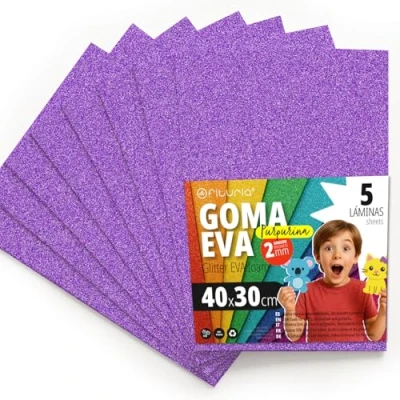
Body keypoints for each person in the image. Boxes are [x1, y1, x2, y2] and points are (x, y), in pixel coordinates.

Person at [277, 219, 387, 342]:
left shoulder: (363, 289)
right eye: (329, 248)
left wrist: (383, 312)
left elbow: (374, 335)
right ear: (318, 256)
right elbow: (294, 335)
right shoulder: (308, 291)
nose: (337, 255)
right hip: (319, 354)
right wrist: (290, 309)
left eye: (345, 248)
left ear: (355, 256)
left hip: (353, 354)